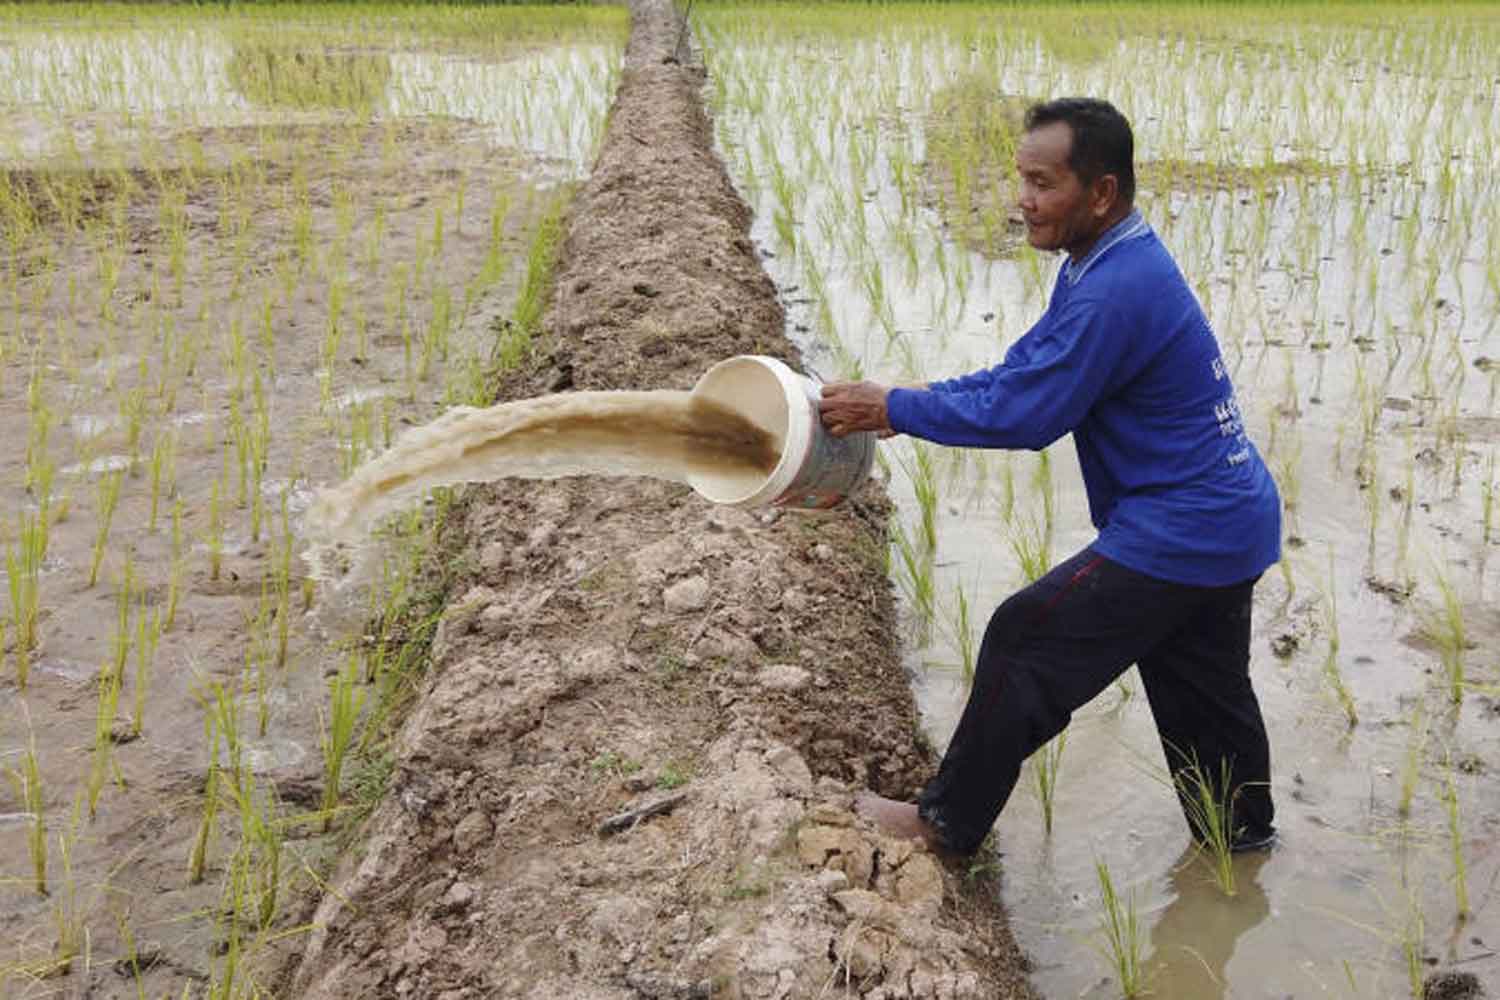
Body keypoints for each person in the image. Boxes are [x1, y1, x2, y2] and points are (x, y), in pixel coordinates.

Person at [817, 97, 1280, 856]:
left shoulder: (1111, 289)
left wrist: (895, 406)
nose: (1022, 201)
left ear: (1099, 192)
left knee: (1024, 639)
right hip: (1231, 521)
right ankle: (1242, 859)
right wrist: (904, 404)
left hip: (1183, 528)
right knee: (1208, 711)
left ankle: (944, 824)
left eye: (1042, 183)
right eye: (1021, 180)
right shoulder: (1107, 259)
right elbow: (1023, 371)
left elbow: (1028, 414)